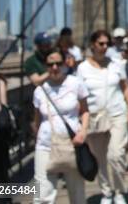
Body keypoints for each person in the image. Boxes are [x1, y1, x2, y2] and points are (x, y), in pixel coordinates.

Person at [77, 29, 128, 204]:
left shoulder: (116, 64)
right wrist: (82, 121)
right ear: (93, 44)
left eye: (107, 44)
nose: (104, 47)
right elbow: (80, 96)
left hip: (117, 113)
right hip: (95, 117)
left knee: (115, 155)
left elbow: (125, 87)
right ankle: (107, 193)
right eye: (100, 43)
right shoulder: (82, 68)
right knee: (100, 158)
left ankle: (119, 191)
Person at [32, 49, 89, 204]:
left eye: (58, 63)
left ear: (65, 63)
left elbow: (85, 112)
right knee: (42, 195)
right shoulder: (39, 91)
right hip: (45, 146)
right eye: (51, 64)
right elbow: (36, 120)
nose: (55, 67)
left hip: (72, 144)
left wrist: (83, 132)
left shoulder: (75, 83)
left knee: (77, 192)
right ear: (46, 66)